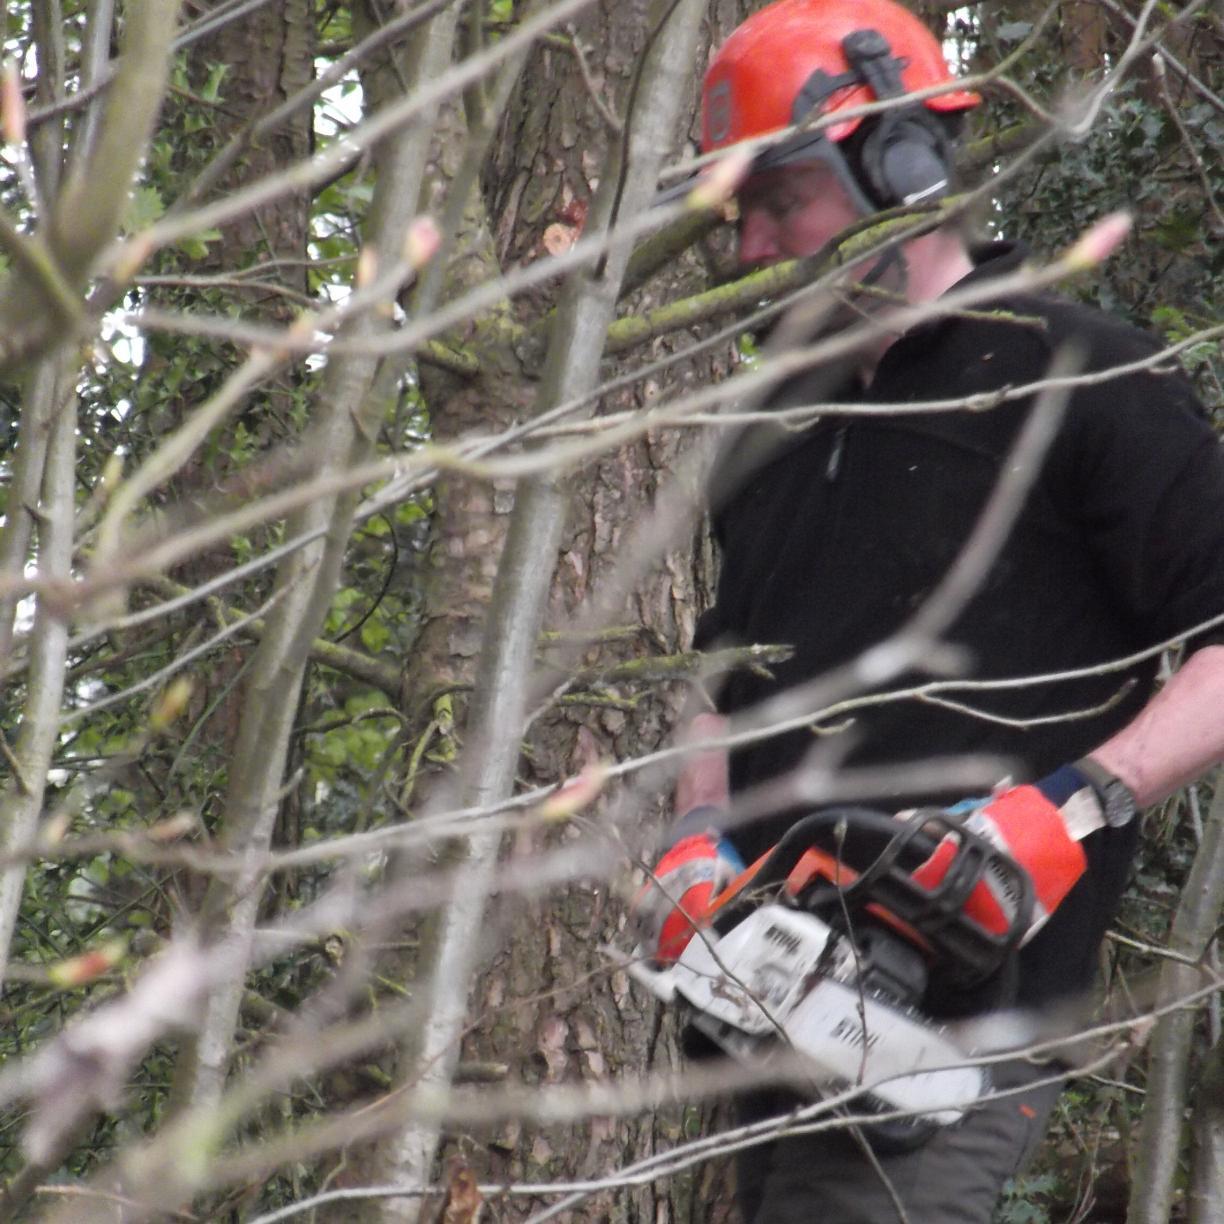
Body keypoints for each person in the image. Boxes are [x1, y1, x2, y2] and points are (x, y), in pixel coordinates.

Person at [635, 1, 1224, 1220]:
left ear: (897, 163)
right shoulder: (773, 432)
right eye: (735, 215)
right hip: (771, 1013)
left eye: (779, 203)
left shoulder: (1083, 375)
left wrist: (1080, 801)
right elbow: (722, 675)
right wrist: (698, 836)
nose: (750, 249)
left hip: (960, 1029)